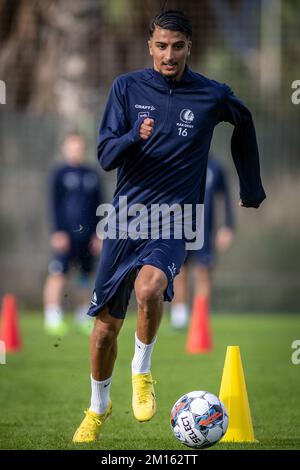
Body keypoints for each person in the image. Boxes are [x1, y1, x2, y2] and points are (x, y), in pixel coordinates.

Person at [72, 10, 266, 443]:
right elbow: (105, 155)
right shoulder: (126, 88)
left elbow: (245, 120)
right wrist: (131, 138)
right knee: (104, 330)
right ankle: (97, 407)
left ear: (189, 47)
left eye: (177, 46)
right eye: (161, 45)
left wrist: (250, 186)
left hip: (176, 220)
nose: (169, 54)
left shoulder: (211, 95)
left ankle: (142, 371)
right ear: (150, 46)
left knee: (149, 288)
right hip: (125, 219)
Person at [43, 132, 103, 336]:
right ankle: (52, 316)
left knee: (85, 276)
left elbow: (99, 205)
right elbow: (54, 205)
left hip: (87, 236)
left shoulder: (92, 174)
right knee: (58, 274)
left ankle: (83, 316)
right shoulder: (59, 174)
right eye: (72, 146)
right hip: (66, 235)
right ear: (65, 148)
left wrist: (98, 233)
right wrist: (58, 231)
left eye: (79, 147)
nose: (76, 150)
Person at [170, 155, 234, 330]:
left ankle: (201, 319)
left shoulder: (215, 167)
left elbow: (226, 198)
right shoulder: (181, 159)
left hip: (205, 230)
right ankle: (179, 317)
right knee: (179, 271)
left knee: (203, 272)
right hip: (180, 227)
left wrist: (227, 226)